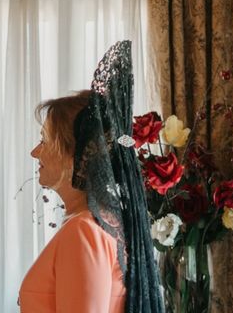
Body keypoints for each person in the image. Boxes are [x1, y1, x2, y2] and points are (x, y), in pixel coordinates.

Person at [19, 41, 164, 313]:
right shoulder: (103, 221)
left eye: (45, 141)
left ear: (77, 155)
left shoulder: (85, 229)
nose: (34, 152)